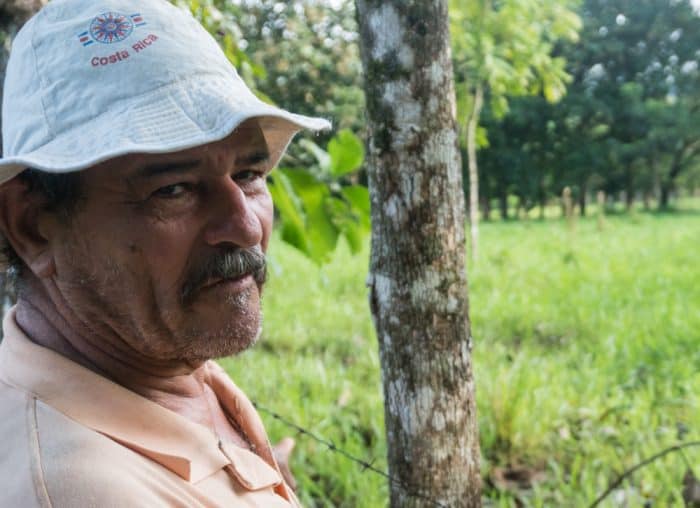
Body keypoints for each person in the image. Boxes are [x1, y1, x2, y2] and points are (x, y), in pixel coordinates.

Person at [0, 0, 329, 506]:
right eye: (173, 189)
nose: (244, 226)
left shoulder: (157, 360)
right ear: (32, 228)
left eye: (248, 175)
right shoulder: (85, 490)